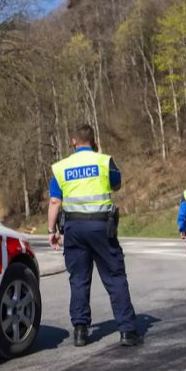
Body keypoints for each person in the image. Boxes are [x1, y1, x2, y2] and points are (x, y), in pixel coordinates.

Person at [47, 124, 141, 347]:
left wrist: (51, 231)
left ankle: (80, 331)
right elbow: (116, 185)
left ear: (73, 142)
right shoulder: (104, 161)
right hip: (101, 228)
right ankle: (127, 331)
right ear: (94, 140)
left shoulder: (61, 167)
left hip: (74, 229)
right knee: (115, 277)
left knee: (79, 278)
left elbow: (54, 201)